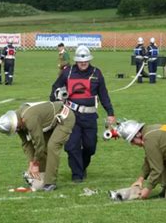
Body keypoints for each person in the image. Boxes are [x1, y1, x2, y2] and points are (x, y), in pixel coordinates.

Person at [49, 45, 116, 183]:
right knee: (72, 146)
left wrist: (110, 113)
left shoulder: (97, 73)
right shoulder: (67, 72)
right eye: (80, 60)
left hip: (90, 116)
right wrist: (56, 99)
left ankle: (81, 166)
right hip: (70, 115)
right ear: (76, 60)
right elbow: (55, 88)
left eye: (85, 60)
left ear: (89, 59)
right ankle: (77, 174)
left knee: (90, 147)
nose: (83, 63)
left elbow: (103, 95)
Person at [0, 101, 75, 191]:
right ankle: (41, 177)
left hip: (65, 118)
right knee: (43, 149)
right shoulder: (18, 120)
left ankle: (50, 182)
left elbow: (39, 143)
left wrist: (35, 163)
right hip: (50, 122)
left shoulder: (29, 119)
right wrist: (31, 162)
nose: (17, 130)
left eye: (16, 128)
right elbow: (26, 143)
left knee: (52, 146)